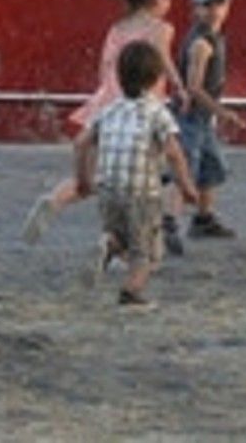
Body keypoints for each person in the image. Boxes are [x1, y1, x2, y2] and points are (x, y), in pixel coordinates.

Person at [24, 0, 177, 244]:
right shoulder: (160, 29)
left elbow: (105, 68)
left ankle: (55, 200)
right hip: (139, 108)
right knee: (135, 182)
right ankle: (116, 241)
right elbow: (164, 63)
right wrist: (182, 89)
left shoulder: (116, 29)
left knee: (91, 181)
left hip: (106, 103)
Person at [80, 42, 191, 307]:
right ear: (156, 79)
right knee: (148, 252)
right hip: (142, 193)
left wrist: (83, 178)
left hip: (107, 189)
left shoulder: (108, 109)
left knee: (123, 234)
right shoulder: (157, 113)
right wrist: (186, 186)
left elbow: (80, 143)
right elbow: (174, 153)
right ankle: (131, 292)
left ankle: (110, 243)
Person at [170, 0, 241, 241]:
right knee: (184, 169)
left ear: (228, 5)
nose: (213, 11)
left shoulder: (213, 37)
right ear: (195, 8)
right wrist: (224, 113)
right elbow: (194, 88)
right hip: (190, 117)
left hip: (201, 117)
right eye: (206, 5)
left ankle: (203, 218)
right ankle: (168, 222)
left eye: (218, 4)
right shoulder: (202, 43)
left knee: (211, 166)